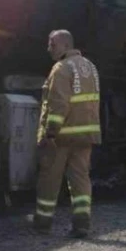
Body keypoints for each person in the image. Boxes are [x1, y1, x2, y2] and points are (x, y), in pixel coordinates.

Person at [29, 29, 102, 238]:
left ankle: (42, 223)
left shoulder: (60, 69)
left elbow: (58, 105)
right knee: (80, 179)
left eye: (52, 44)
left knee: (50, 179)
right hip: (86, 134)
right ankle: (82, 224)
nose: (48, 48)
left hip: (61, 137)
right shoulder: (90, 67)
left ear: (65, 45)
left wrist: (50, 134)